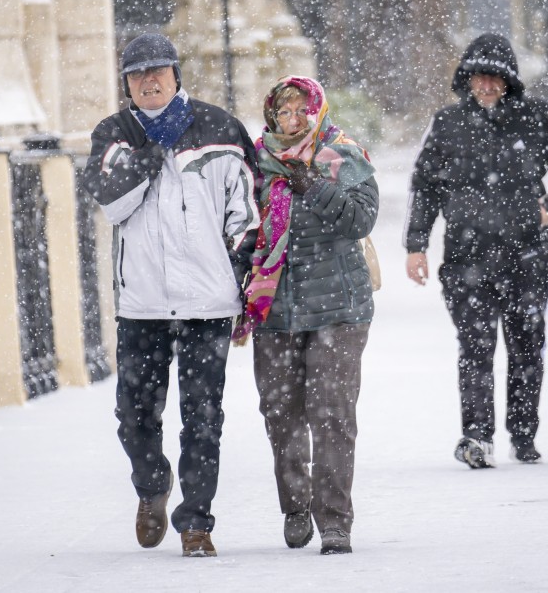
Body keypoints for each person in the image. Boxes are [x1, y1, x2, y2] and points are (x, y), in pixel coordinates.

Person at [81, 33, 259, 558]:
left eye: (159, 71)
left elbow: (246, 214)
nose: (150, 81)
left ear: (177, 74)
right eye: (138, 75)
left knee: (203, 417)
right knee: (134, 416)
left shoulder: (221, 128)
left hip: (208, 304)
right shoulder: (114, 134)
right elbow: (112, 202)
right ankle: (153, 486)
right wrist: (153, 148)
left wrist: (238, 275)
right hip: (144, 306)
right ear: (126, 83)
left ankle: (196, 523)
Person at [405, 33, 548, 468]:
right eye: (478, 77)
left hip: (527, 255)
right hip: (466, 258)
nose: (486, 86)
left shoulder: (537, 118)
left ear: (509, 81)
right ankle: (477, 436)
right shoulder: (446, 124)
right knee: (475, 345)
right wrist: (416, 246)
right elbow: (424, 186)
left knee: (526, 343)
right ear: (466, 79)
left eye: (495, 78)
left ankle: (523, 435)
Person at [233, 76, 377, 555]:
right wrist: (240, 290)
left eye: (302, 112)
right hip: (274, 311)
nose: (292, 121)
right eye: (284, 112)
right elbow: (242, 233)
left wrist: (314, 186)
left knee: (332, 414)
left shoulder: (342, 155)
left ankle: (335, 520)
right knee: (280, 413)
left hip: (338, 308)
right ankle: (296, 506)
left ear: (318, 112)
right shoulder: (256, 163)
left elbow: (360, 220)